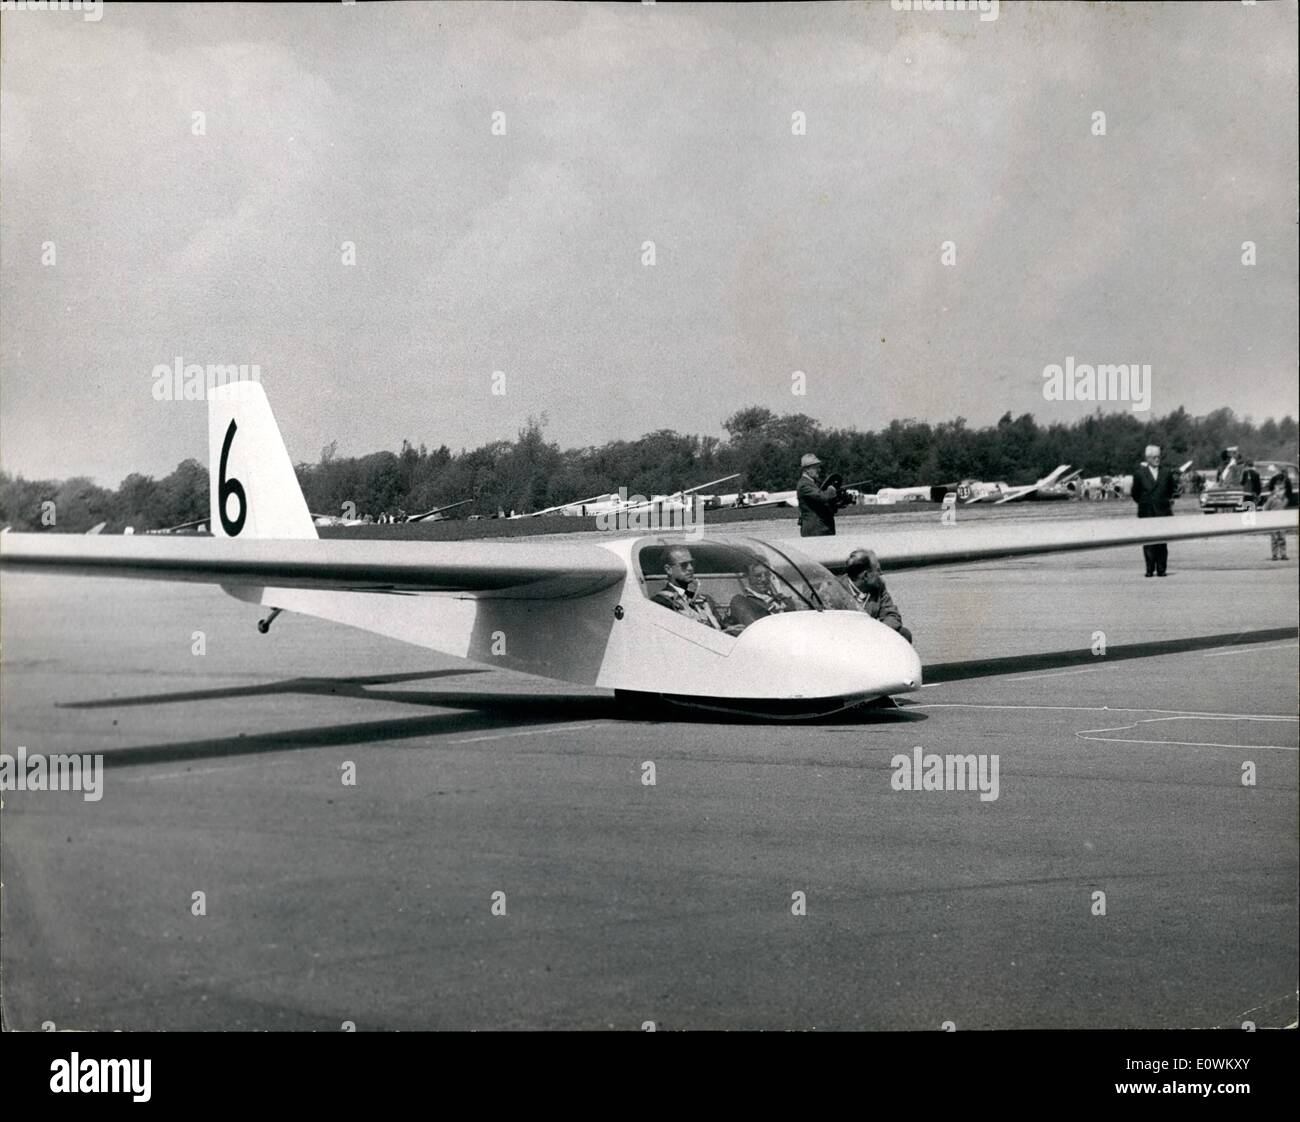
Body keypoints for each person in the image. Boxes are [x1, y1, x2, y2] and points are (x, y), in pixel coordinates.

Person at [650, 546, 740, 633]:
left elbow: (718, 627)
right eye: (684, 565)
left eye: (692, 564)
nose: (690, 568)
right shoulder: (661, 602)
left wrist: (729, 630)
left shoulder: (703, 600)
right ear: (669, 569)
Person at [840, 548, 913, 643]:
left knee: (903, 634)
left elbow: (892, 615)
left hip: (873, 637)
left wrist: (875, 632)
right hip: (847, 640)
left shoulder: (878, 586)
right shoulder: (834, 590)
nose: (881, 574)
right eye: (877, 570)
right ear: (865, 575)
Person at [1130, 443, 1177, 577]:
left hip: (1163, 512)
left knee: (1162, 542)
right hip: (1147, 512)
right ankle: (1149, 569)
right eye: (1155, 457)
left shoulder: (1166, 473)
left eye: (1159, 456)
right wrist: (1145, 503)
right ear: (1148, 458)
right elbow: (1135, 493)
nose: (1158, 459)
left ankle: (1161, 569)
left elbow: (1171, 491)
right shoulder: (1139, 474)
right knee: (1148, 542)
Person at [728, 562, 797, 627]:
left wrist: (781, 597)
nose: (764, 579)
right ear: (747, 578)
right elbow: (756, 628)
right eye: (757, 576)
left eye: (767, 574)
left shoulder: (781, 599)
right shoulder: (740, 601)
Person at [796, 453, 841, 537]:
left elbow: (822, 504)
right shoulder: (804, 485)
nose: (819, 470)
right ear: (807, 469)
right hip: (814, 530)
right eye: (816, 467)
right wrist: (831, 489)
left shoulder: (814, 483)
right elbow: (822, 497)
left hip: (822, 529)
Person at [1263, 473, 1291, 561]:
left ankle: (1283, 554)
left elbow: (1284, 506)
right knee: (1274, 538)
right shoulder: (1271, 498)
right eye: (1279, 489)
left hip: (1281, 520)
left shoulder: (1285, 499)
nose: (1281, 491)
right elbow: (1265, 508)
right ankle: (1274, 554)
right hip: (1273, 521)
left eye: (1283, 489)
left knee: (1282, 537)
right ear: (1274, 489)